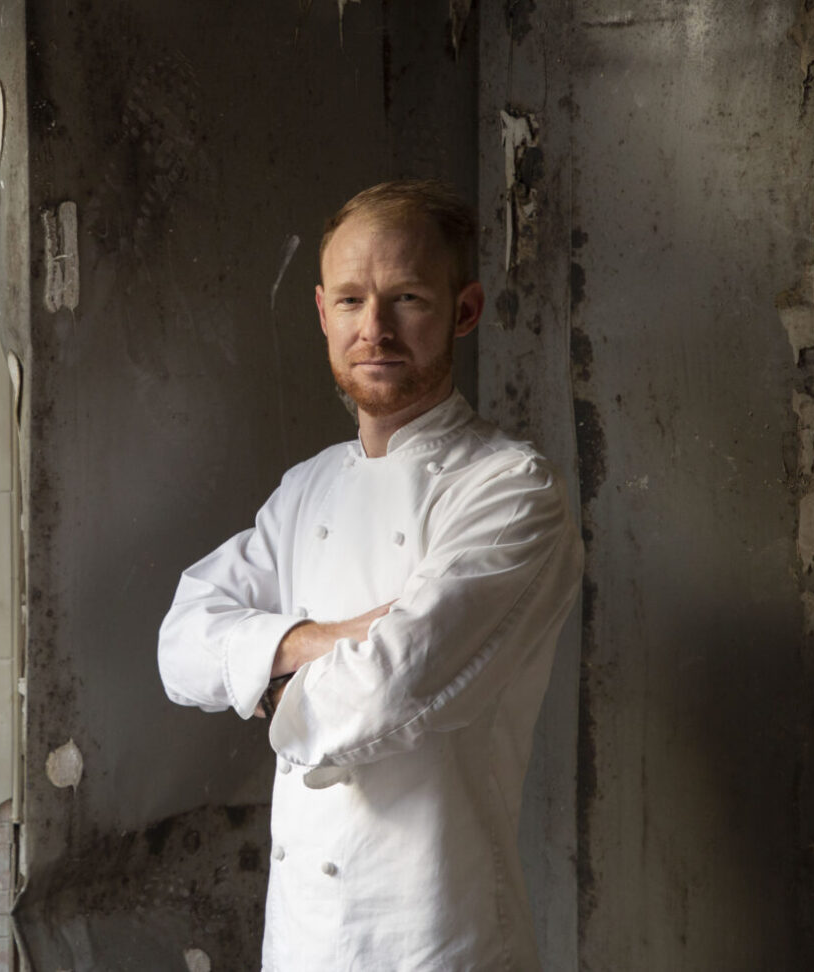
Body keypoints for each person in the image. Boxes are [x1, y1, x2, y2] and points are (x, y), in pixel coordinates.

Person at [158, 180, 582, 970]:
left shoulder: (512, 489)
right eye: (351, 300)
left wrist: (264, 676)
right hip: (298, 938)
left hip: (435, 937)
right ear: (323, 314)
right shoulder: (306, 487)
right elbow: (180, 647)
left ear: (464, 309)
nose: (374, 329)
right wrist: (326, 637)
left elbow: (392, 683)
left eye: (408, 297)